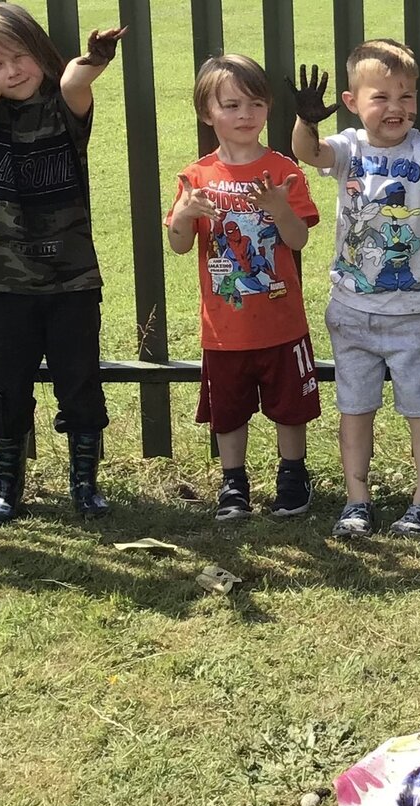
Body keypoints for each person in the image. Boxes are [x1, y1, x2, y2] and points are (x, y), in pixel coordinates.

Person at [0, 4, 125, 525]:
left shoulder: (66, 108)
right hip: (3, 280)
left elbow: (74, 81)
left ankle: (85, 483)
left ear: (40, 52)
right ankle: (6, 486)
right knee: (5, 384)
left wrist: (94, 59)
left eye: (19, 56)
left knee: (79, 379)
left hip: (72, 278)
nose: (11, 71)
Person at [290, 40, 420, 537]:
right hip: (351, 310)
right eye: (382, 97)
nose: (397, 109)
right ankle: (357, 500)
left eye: (407, 97)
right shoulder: (349, 147)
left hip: (412, 311)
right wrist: (306, 121)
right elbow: (309, 153)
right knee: (355, 407)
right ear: (352, 102)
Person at [167, 55, 320, 521]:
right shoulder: (196, 178)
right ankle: (234, 484)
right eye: (231, 105)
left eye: (255, 104)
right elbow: (177, 244)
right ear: (206, 112)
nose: (244, 115)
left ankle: (293, 476)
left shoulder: (282, 169)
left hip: (281, 322)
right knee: (227, 413)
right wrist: (185, 215)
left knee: (290, 408)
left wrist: (278, 207)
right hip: (224, 329)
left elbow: (298, 239)